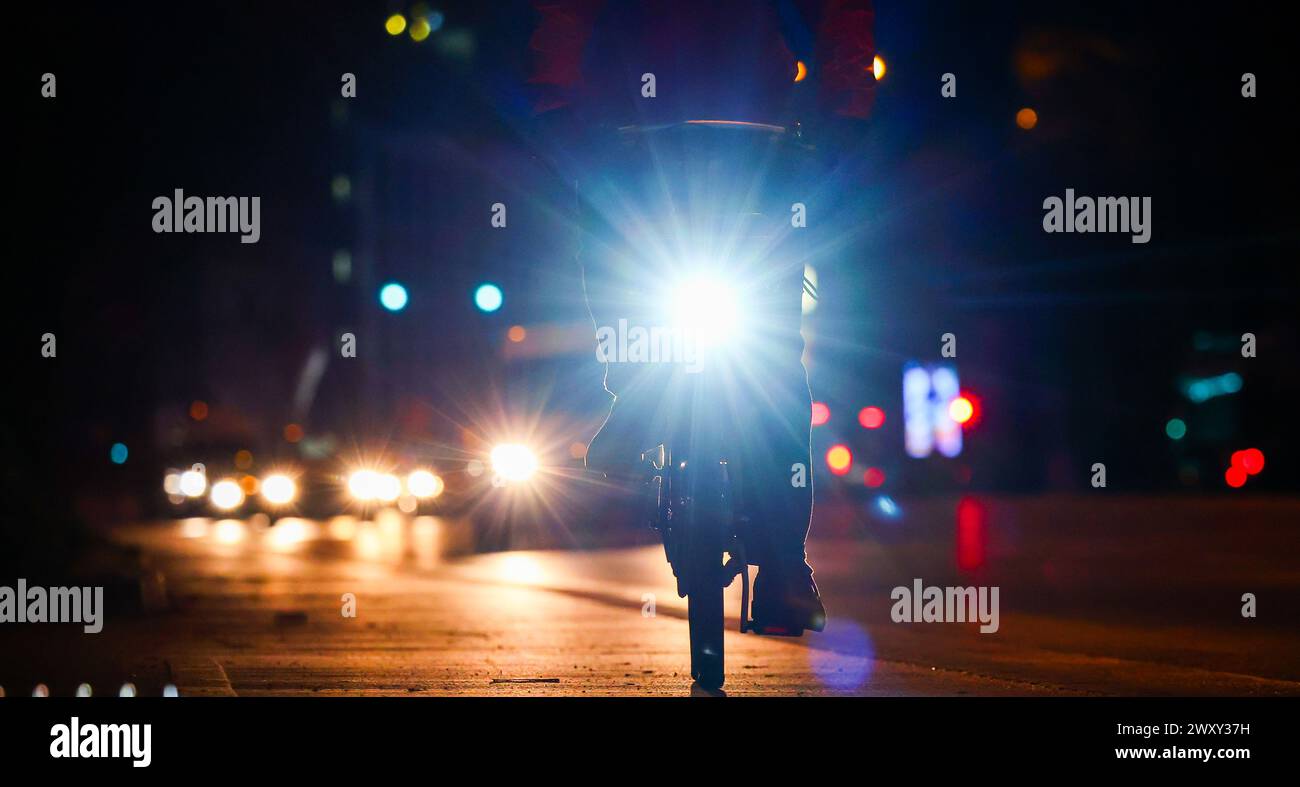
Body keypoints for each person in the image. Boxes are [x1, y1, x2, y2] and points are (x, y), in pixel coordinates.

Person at [528, 0, 876, 634]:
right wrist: (847, 104)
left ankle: (782, 564)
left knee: (765, 351)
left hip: (737, 132)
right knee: (618, 248)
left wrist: (846, 102)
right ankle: (637, 397)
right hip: (653, 131)